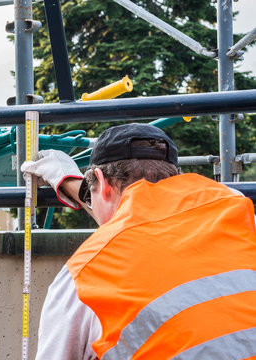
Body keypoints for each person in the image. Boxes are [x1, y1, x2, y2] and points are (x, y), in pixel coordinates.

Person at [21, 123, 256, 359]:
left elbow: (125, 224)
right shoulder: (239, 211)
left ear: (101, 182)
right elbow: (138, 216)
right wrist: (69, 182)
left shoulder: (84, 276)